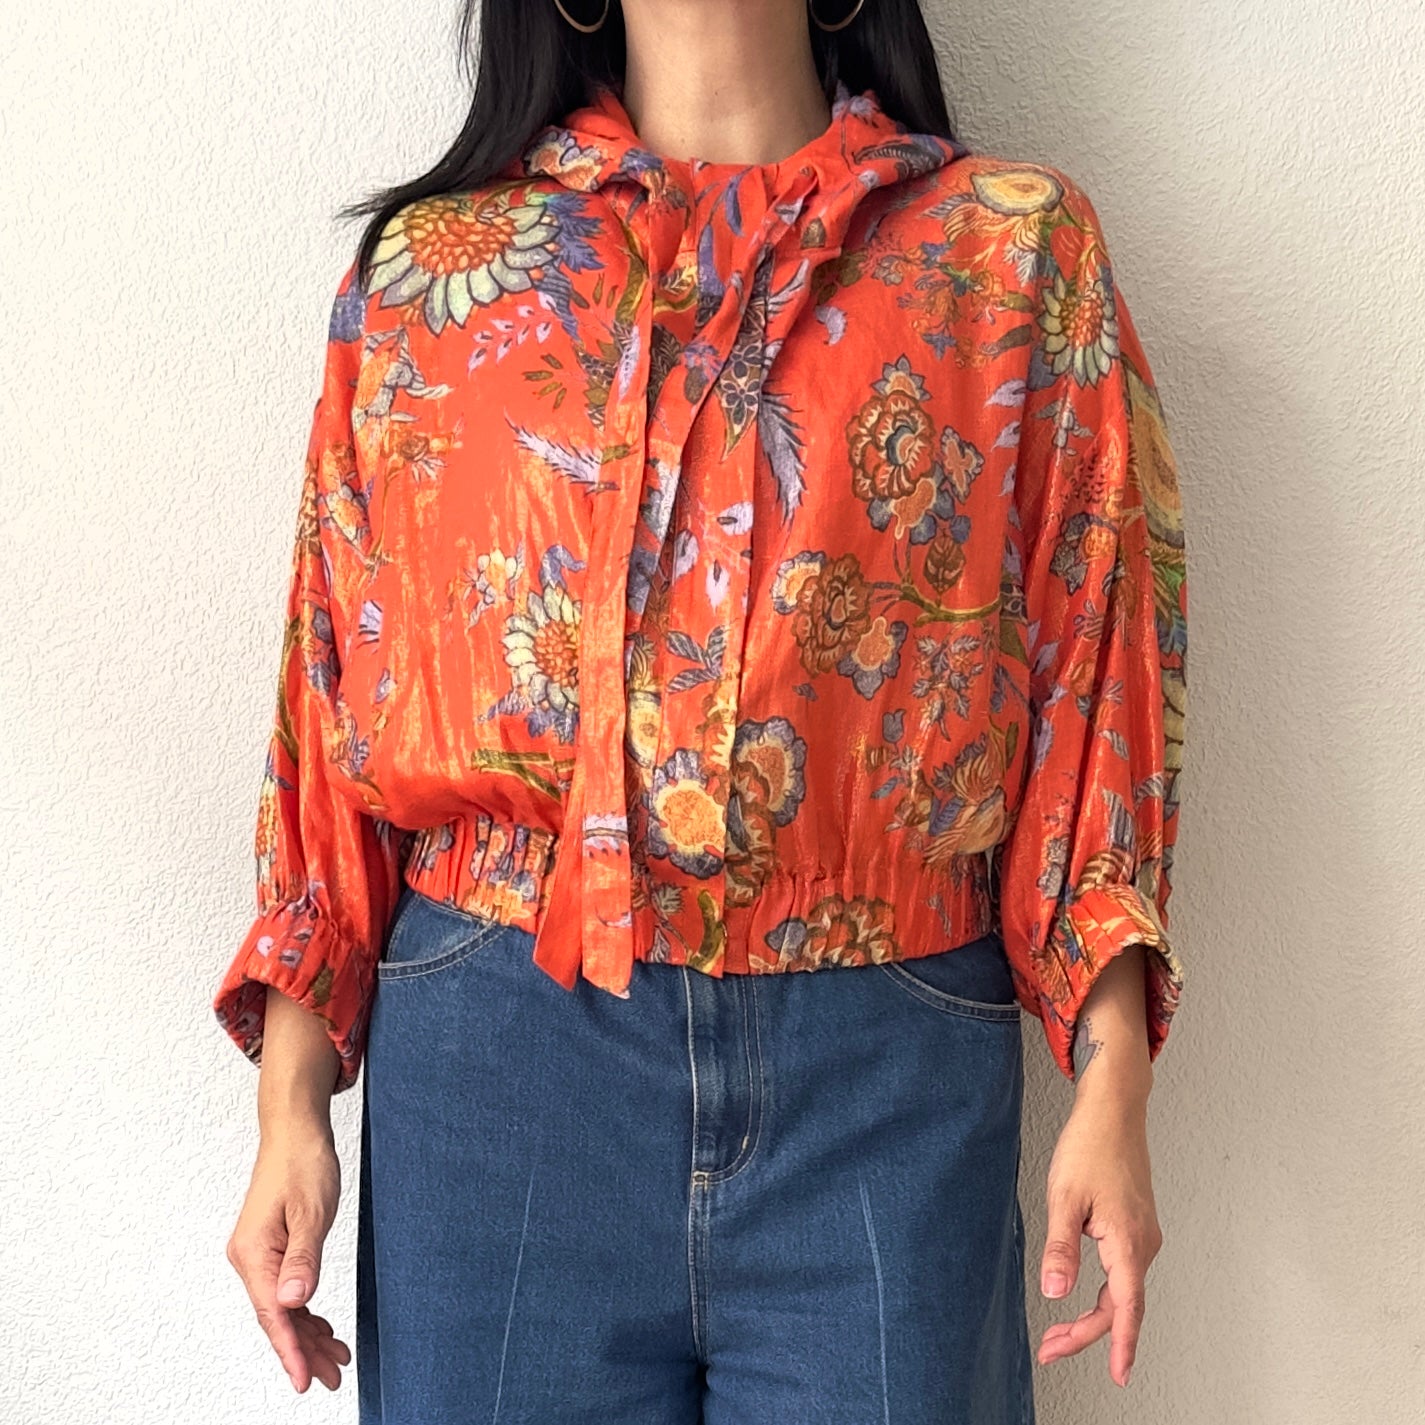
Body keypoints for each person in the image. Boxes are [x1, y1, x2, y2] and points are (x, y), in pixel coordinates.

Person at [215, 1, 1189, 1420]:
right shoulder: (435, 276)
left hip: (885, 1074)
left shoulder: (1008, 254)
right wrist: (290, 1104)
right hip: (500, 1062)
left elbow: (1096, 675)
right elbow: (335, 691)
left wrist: (1112, 1082)